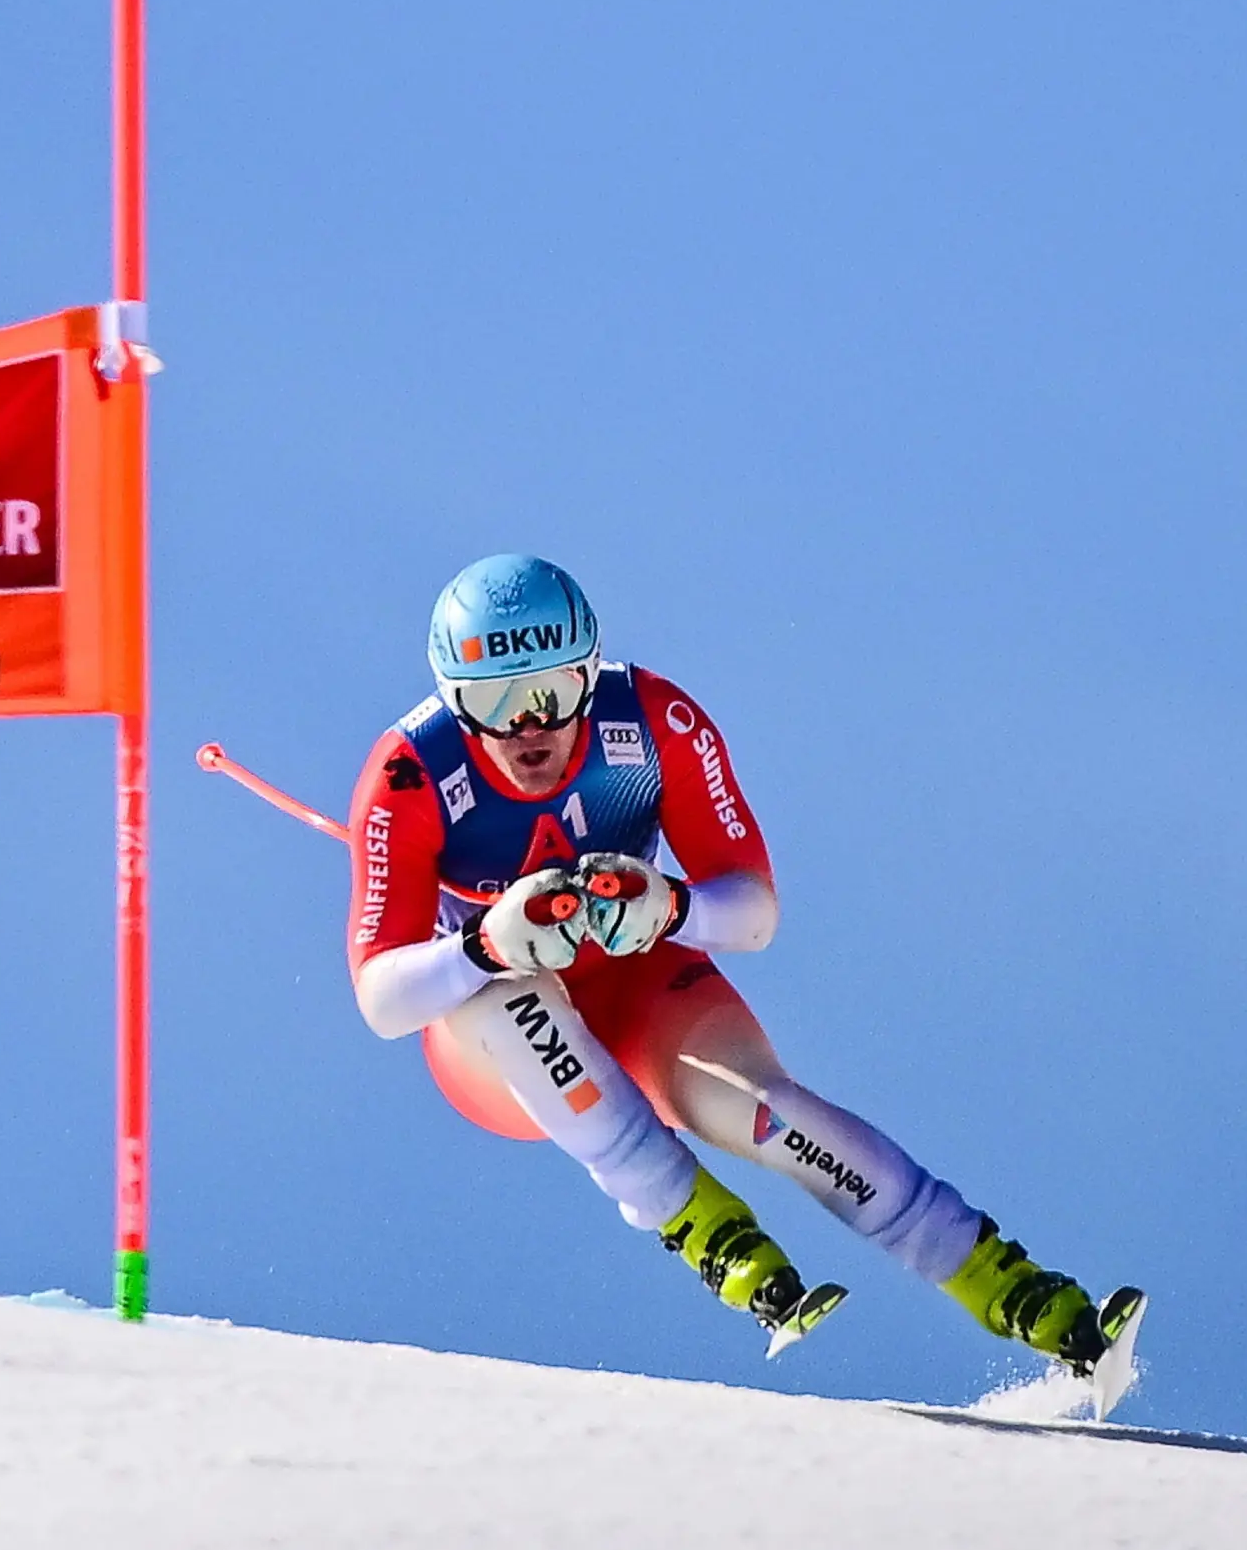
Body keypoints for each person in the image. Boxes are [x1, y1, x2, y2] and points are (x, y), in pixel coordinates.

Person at [346, 552, 1137, 1363]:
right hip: (502, 1048)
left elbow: (754, 913)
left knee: (764, 1111)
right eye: (494, 701)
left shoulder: (652, 721)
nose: (529, 727)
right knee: (503, 994)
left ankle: (1011, 1286)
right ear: (452, 700)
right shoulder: (412, 772)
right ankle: (700, 1225)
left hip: (638, 986)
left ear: (592, 671)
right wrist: (484, 942)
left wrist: (671, 904)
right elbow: (382, 1000)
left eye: (552, 691)